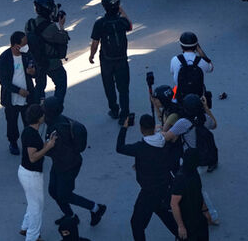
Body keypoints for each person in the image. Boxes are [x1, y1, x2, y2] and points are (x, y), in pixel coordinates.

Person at [43, 95, 107, 226]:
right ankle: (70, 215)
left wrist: (42, 149)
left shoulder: (57, 129)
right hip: (62, 163)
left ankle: (96, 208)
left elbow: (52, 151)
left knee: (64, 194)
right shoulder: (59, 120)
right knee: (53, 191)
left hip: (68, 166)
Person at [116, 113, 179, 240]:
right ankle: (183, 236)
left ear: (141, 129)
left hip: (149, 192)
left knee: (137, 224)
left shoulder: (140, 148)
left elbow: (120, 147)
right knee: (163, 213)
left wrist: (124, 128)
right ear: (153, 127)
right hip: (165, 187)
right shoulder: (164, 142)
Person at [89, 0, 132, 122]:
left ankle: (114, 110)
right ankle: (125, 114)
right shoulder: (122, 21)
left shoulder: (100, 23)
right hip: (122, 59)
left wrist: (92, 55)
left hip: (106, 60)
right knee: (123, 88)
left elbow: (95, 43)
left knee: (109, 86)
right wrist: (121, 11)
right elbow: (130, 26)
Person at [19, 103, 55, 241]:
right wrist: (48, 147)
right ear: (39, 118)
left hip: (25, 172)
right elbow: (33, 157)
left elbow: (35, 149)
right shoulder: (32, 135)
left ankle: (25, 227)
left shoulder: (28, 131)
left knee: (32, 202)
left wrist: (46, 144)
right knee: (37, 207)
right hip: (32, 175)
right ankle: (32, 237)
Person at [0, 31, 36, 155]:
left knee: (28, 122)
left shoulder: (27, 55)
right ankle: (13, 142)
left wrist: (33, 72)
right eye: (24, 44)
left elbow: (35, 70)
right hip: (11, 99)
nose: (26, 46)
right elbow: (3, 81)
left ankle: (28, 143)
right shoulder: (4, 58)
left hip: (27, 98)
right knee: (12, 123)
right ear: (15, 45)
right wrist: (18, 91)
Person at [27, 0, 70, 101]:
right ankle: (56, 105)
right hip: (51, 62)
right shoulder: (51, 27)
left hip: (36, 60)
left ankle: (38, 105)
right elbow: (63, 39)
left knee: (40, 85)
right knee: (61, 82)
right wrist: (61, 26)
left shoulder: (30, 23)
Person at [170, 153, 208, 240]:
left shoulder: (194, 172)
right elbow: (174, 204)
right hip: (187, 221)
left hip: (199, 217)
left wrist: (205, 211)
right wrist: (181, 226)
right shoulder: (180, 180)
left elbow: (198, 192)